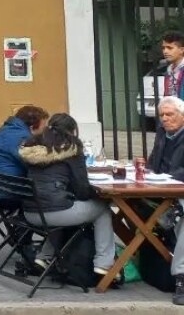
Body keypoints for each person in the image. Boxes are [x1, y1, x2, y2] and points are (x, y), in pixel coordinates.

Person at [18, 112, 116, 282]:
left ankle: (44, 257)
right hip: (54, 213)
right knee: (102, 210)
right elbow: (82, 189)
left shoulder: (33, 146)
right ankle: (104, 264)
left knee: (63, 205)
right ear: (72, 131)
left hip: (30, 213)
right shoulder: (71, 148)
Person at [149, 96, 184, 304]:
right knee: (134, 205)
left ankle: (181, 277)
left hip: (178, 191)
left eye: (169, 114)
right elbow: (153, 163)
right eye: (162, 115)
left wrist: (168, 177)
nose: (164, 119)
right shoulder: (162, 133)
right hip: (161, 190)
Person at [0, 104, 48, 202]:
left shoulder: (3, 130)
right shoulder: (23, 138)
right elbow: (34, 166)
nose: (44, 131)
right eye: (43, 127)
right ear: (32, 127)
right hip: (4, 195)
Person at [163, 33, 184, 100]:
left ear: (181, 50)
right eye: (163, 48)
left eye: (170, 48)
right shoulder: (169, 71)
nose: (165, 51)